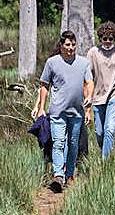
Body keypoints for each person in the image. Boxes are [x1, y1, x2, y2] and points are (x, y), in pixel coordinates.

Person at [33, 30, 93, 193]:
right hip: (58, 111)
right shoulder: (52, 63)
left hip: (77, 112)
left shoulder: (83, 63)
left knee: (73, 144)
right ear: (61, 46)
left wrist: (89, 102)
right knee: (58, 143)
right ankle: (58, 175)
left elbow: (89, 82)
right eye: (67, 44)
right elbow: (44, 86)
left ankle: (69, 174)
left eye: (73, 45)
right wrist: (41, 109)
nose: (71, 48)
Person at [86, 21, 115, 159]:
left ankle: (105, 163)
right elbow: (87, 78)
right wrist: (87, 100)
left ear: (114, 38)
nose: (107, 41)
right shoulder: (93, 52)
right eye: (104, 39)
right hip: (98, 96)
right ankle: (104, 150)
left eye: (110, 39)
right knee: (99, 132)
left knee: (109, 129)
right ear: (100, 38)